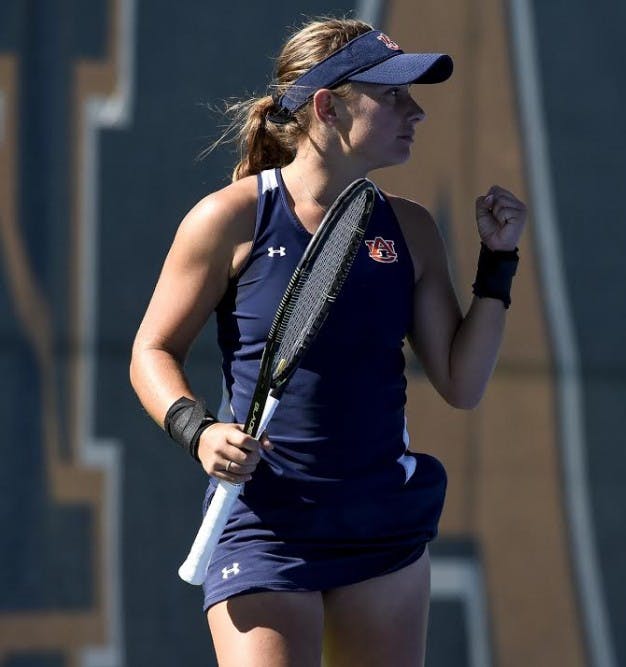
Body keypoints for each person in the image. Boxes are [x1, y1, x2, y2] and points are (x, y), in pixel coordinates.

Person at [129, 17, 526, 667]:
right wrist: (196, 430)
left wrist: (499, 262)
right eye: (393, 95)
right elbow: (152, 350)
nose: (416, 111)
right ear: (327, 106)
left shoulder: (412, 231)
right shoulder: (228, 219)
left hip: (381, 528)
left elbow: (462, 380)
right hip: (263, 525)